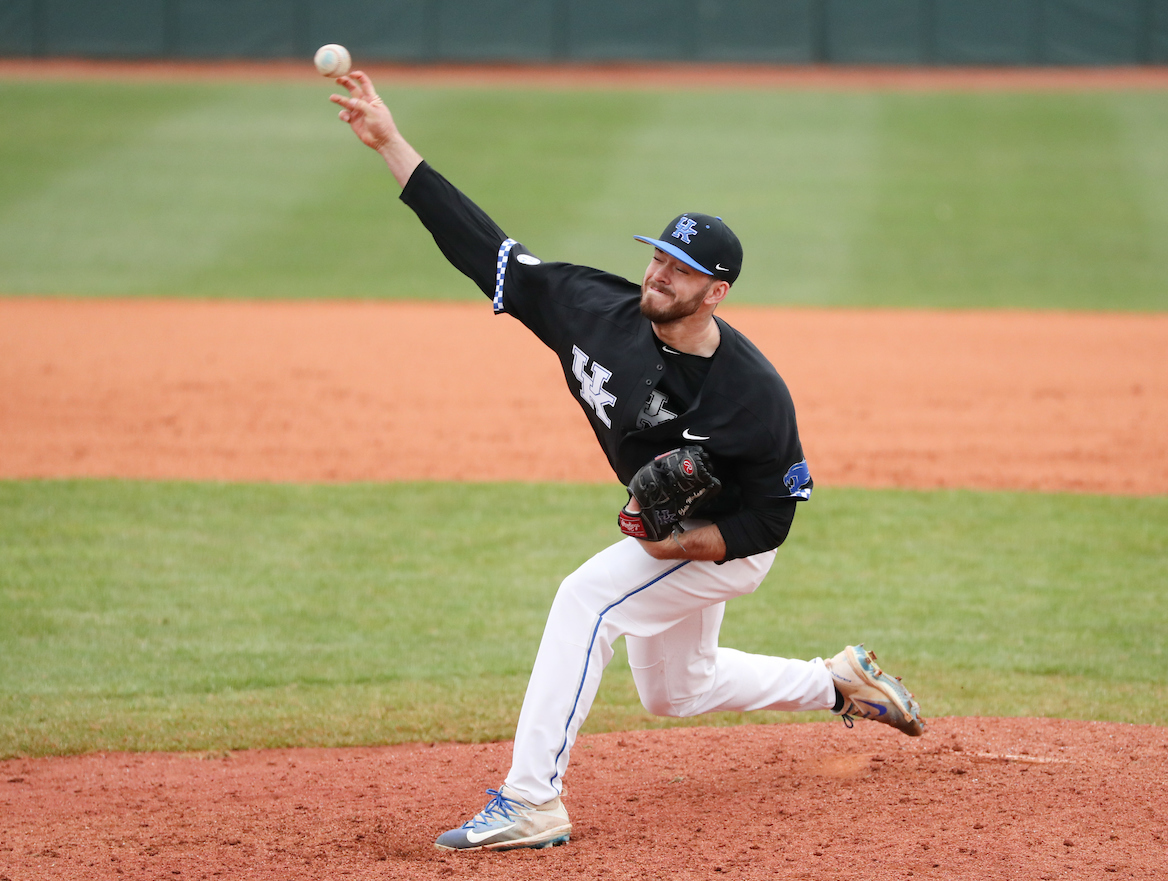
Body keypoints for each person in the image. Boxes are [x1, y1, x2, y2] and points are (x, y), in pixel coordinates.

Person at [329, 71, 924, 853]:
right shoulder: (589, 306)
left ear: (715, 292)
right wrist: (390, 144)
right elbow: (487, 250)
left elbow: (771, 515)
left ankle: (530, 800)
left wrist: (685, 545)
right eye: (656, 257)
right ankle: (838, 679)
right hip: (674, 523)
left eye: (679, 269)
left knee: (587, 601)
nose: (658, 273)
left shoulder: (752, 395)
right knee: (678, 691)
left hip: (731, 537)